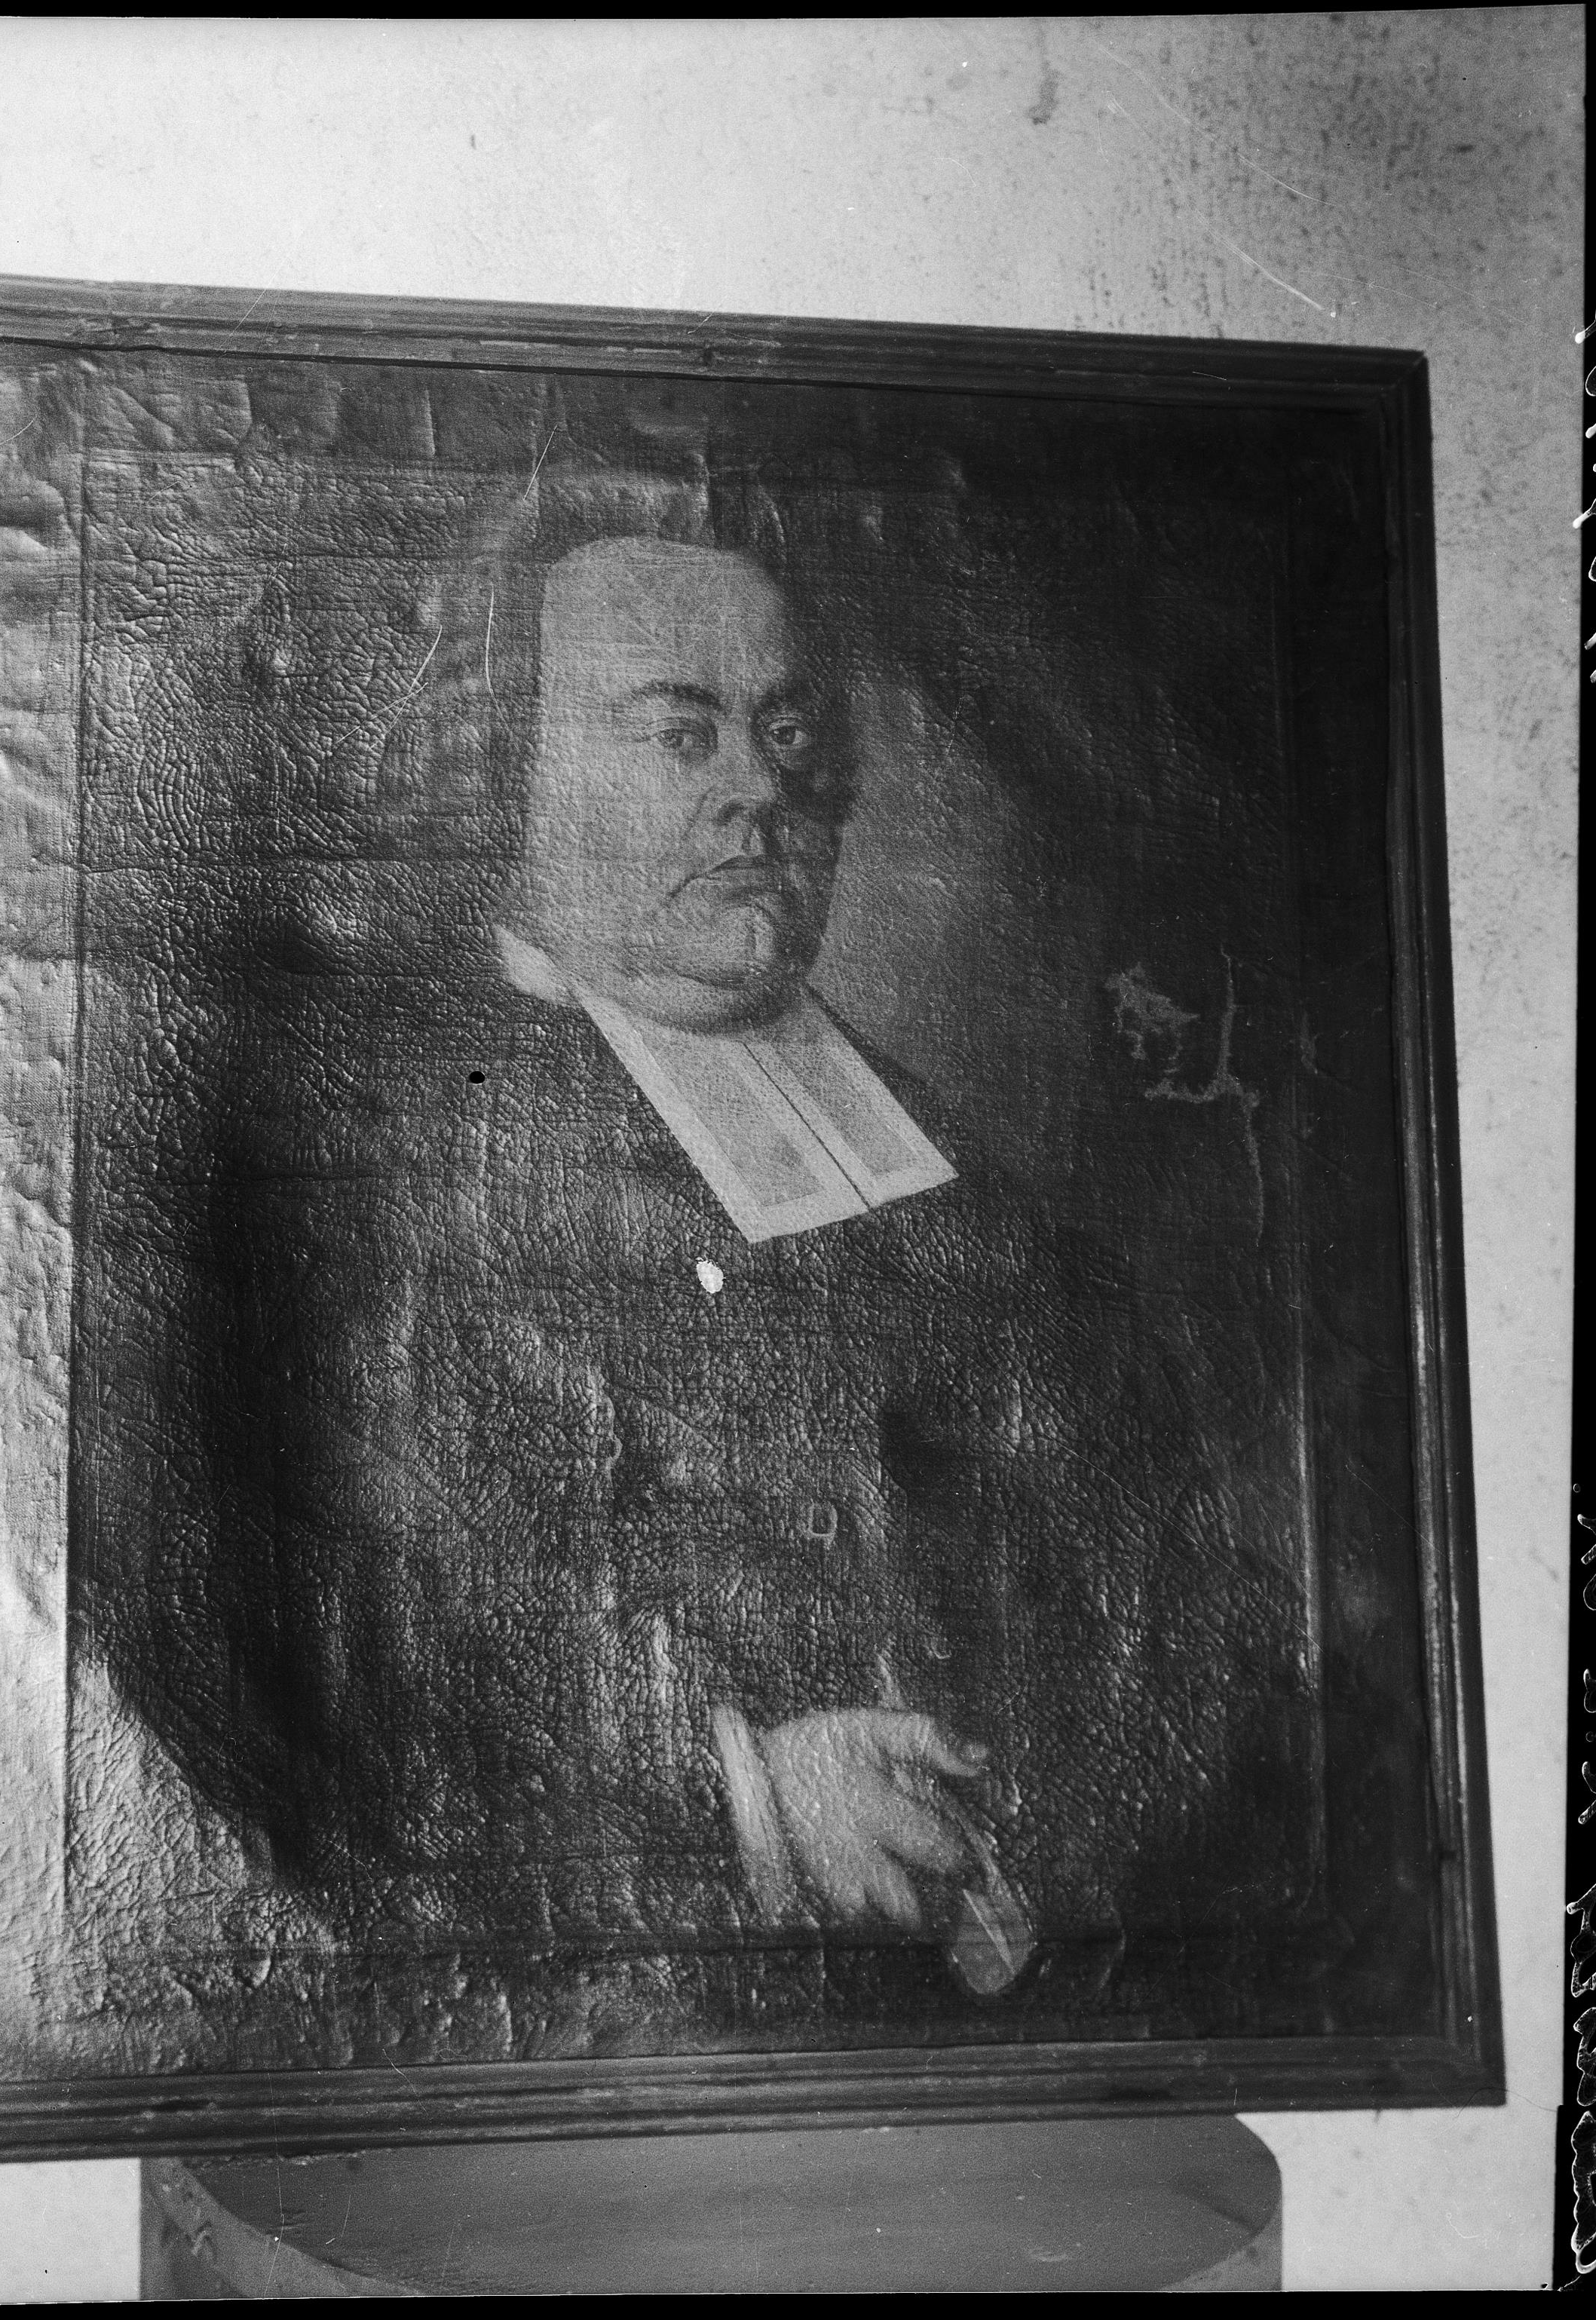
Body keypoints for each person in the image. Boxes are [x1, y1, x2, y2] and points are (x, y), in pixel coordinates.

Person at [86, 470, 1205, 2033]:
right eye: (681, 735)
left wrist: (1057, 1818)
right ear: (502, 773)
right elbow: (313, 1635)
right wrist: (742, 1789)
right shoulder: (361, 1154)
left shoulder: (975, 1194)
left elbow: (1162, 1580)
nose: (758, 791)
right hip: (609, 2016)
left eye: (789, 736)